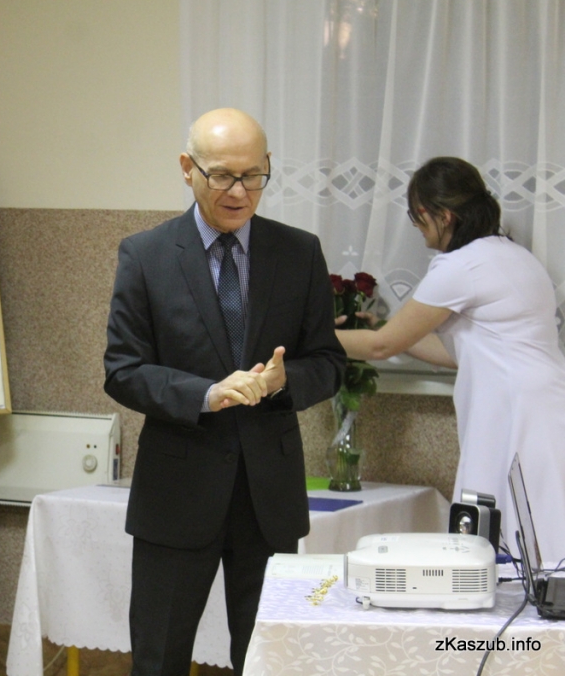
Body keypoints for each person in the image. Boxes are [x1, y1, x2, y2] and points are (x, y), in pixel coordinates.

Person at [104, 108, 345, 675]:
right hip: (177, 493)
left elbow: (328, 362)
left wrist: (285, 381)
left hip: (269, 498)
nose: (239, 192)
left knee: (270, 661)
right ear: (187, 168)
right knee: (159, 660)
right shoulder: (147, 255)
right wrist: (206, 394)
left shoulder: (299, 251)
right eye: (222, 176)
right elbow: (123, 369)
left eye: (253, 175)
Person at [336, 156, 565, 566]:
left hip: (514, 415)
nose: (417, 227)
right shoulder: (514, 256)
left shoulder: (462, 266)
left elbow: (381, 348)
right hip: (543, 406)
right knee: (541, 533)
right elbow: (457, 354)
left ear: (442, 215)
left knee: (501, 537)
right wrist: (387, 329)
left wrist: (310, 337)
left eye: (417, 216)